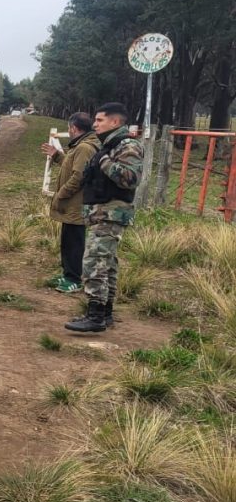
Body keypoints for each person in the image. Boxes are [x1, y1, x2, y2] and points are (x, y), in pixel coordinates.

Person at [65, 102, 143, 333]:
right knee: (106, 264)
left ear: (115, 122)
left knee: (94, 262)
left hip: (111, 213)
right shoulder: (107, 145)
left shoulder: (127, 145)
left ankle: (95, 316)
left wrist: (105, 162)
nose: (95, 124)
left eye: (99, 120)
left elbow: (130, 178)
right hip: (101, 213)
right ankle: (105, 313)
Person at [41, 113, 100, 293]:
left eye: (69, 128)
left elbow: (79, 176)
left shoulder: (85, 147)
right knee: (68, 242)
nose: (68, 130)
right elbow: (71, 165)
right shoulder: (80, 146)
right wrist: (57, 156)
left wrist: (61, 194)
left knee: (74, 243)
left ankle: (74, 279)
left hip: (76, 205)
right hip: (72, 206)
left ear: (74, 128)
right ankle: (67, 274)